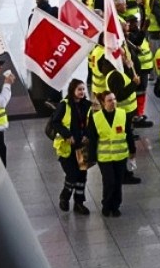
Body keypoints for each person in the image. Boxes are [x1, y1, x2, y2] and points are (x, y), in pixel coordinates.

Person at [50, 79, 91, 215]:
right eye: (79, 89)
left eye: (83, 89)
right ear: (72, 90)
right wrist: (67, 135)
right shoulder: (65, 105)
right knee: (72, 174)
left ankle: (79, 203)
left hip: (82, 146)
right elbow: (55, 122)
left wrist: (87, 135)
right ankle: (65, 196)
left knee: (82, 175)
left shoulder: (87, 105)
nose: (82, 92)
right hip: (67, 147)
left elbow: (91, 123)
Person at [87, 90, 129, 217]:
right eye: (110, 100)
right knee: (109, 181)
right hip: (104, 157)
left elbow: (129, 134)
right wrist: (92, 157)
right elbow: (92, 139)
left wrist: (132, 150)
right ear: (103, 103)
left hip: (120, 155)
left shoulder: (122, 114)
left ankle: (115, 206)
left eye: (114, 99)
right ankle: (106, 204)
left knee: (118, 182)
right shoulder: (96, 118)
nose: (113, 102)